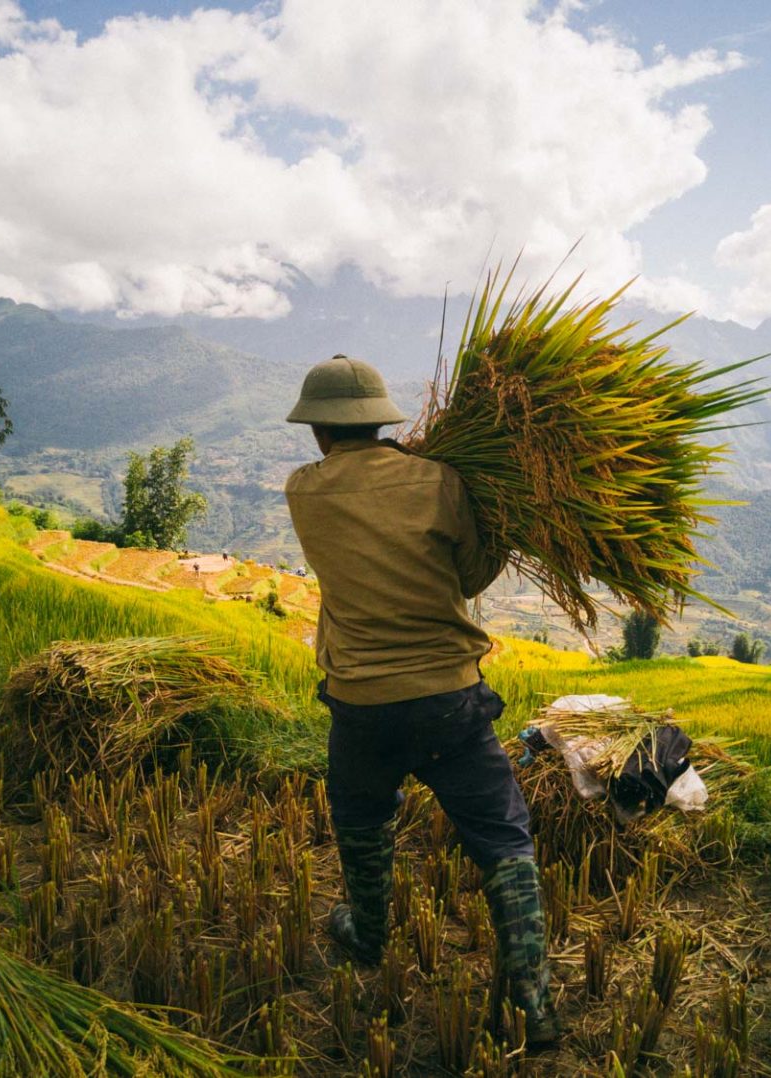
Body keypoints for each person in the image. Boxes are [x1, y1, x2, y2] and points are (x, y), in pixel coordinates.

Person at [283, 354, 557, 1044]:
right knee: (502, 833)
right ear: (382, 420)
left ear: (318, 430)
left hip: (362, 702)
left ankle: (368, 934)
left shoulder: (303, 492)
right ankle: (532, 990)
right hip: (449, 701)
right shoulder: (440, 482)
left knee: (360, 813)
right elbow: (466, 574)